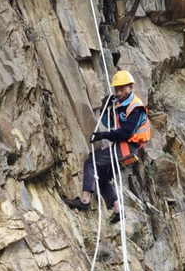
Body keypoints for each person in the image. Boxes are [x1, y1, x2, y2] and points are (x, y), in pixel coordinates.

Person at [63, 70, 151, 223]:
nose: (119, 92)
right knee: (102, 177)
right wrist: (106, 105)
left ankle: (84, 200)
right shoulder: (122, 105)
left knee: (90, 163)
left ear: (130, 87)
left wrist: (103, 135)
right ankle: (118, 210)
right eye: (117, 89)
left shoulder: (136, 108)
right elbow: (109, 124)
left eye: (123, 89)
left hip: (125, 149)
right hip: (124, 149)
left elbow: (124, 133)